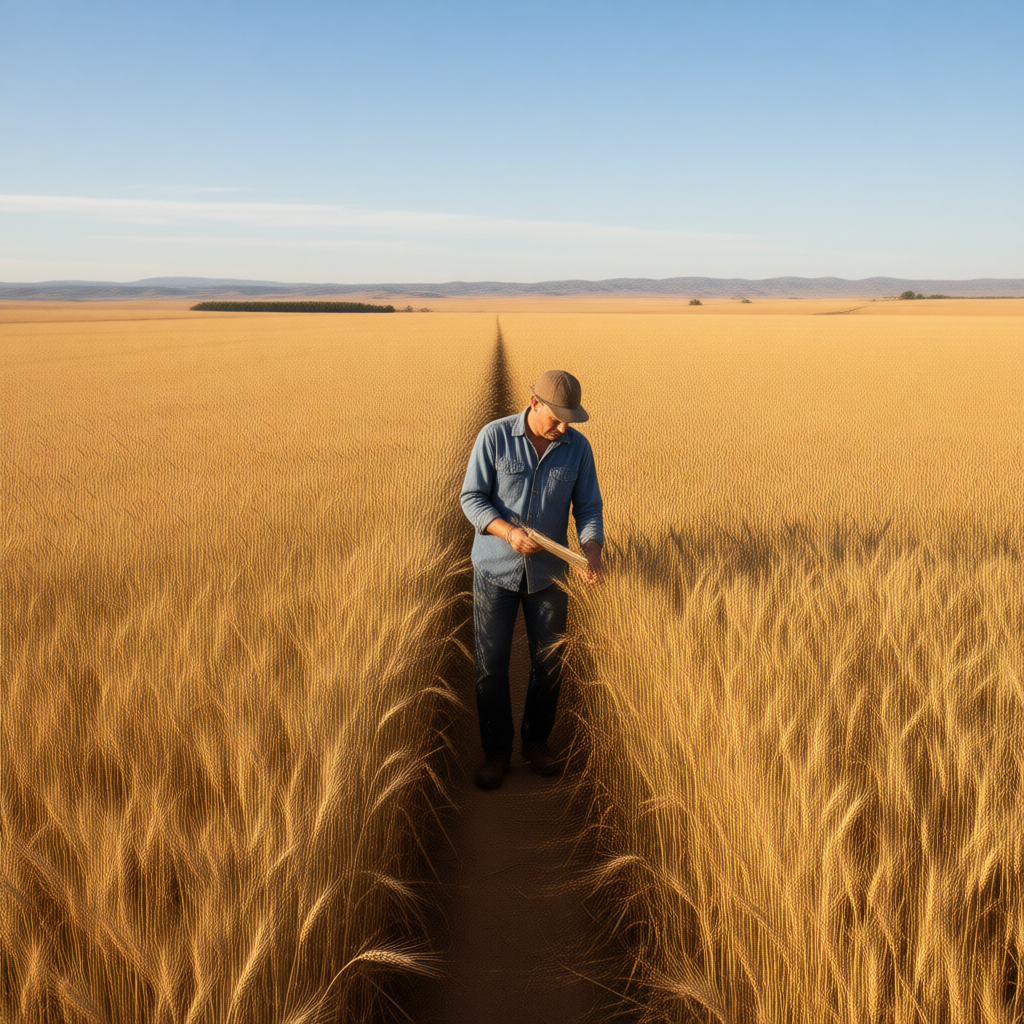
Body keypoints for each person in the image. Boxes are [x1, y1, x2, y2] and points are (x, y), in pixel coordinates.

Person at [460, 369, 604, 790]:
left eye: (570, 420)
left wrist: (592, 550)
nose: (564, 428)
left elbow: (589, 507)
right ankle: (497, 752)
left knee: (550, 663)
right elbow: (471, 497)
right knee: (491, 666)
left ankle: (536, 743)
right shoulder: (494, 437)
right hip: (494, 569)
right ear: (535, 403)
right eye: (557, 418)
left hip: (549, 576)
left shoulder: (577, 449)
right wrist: (507, 532)